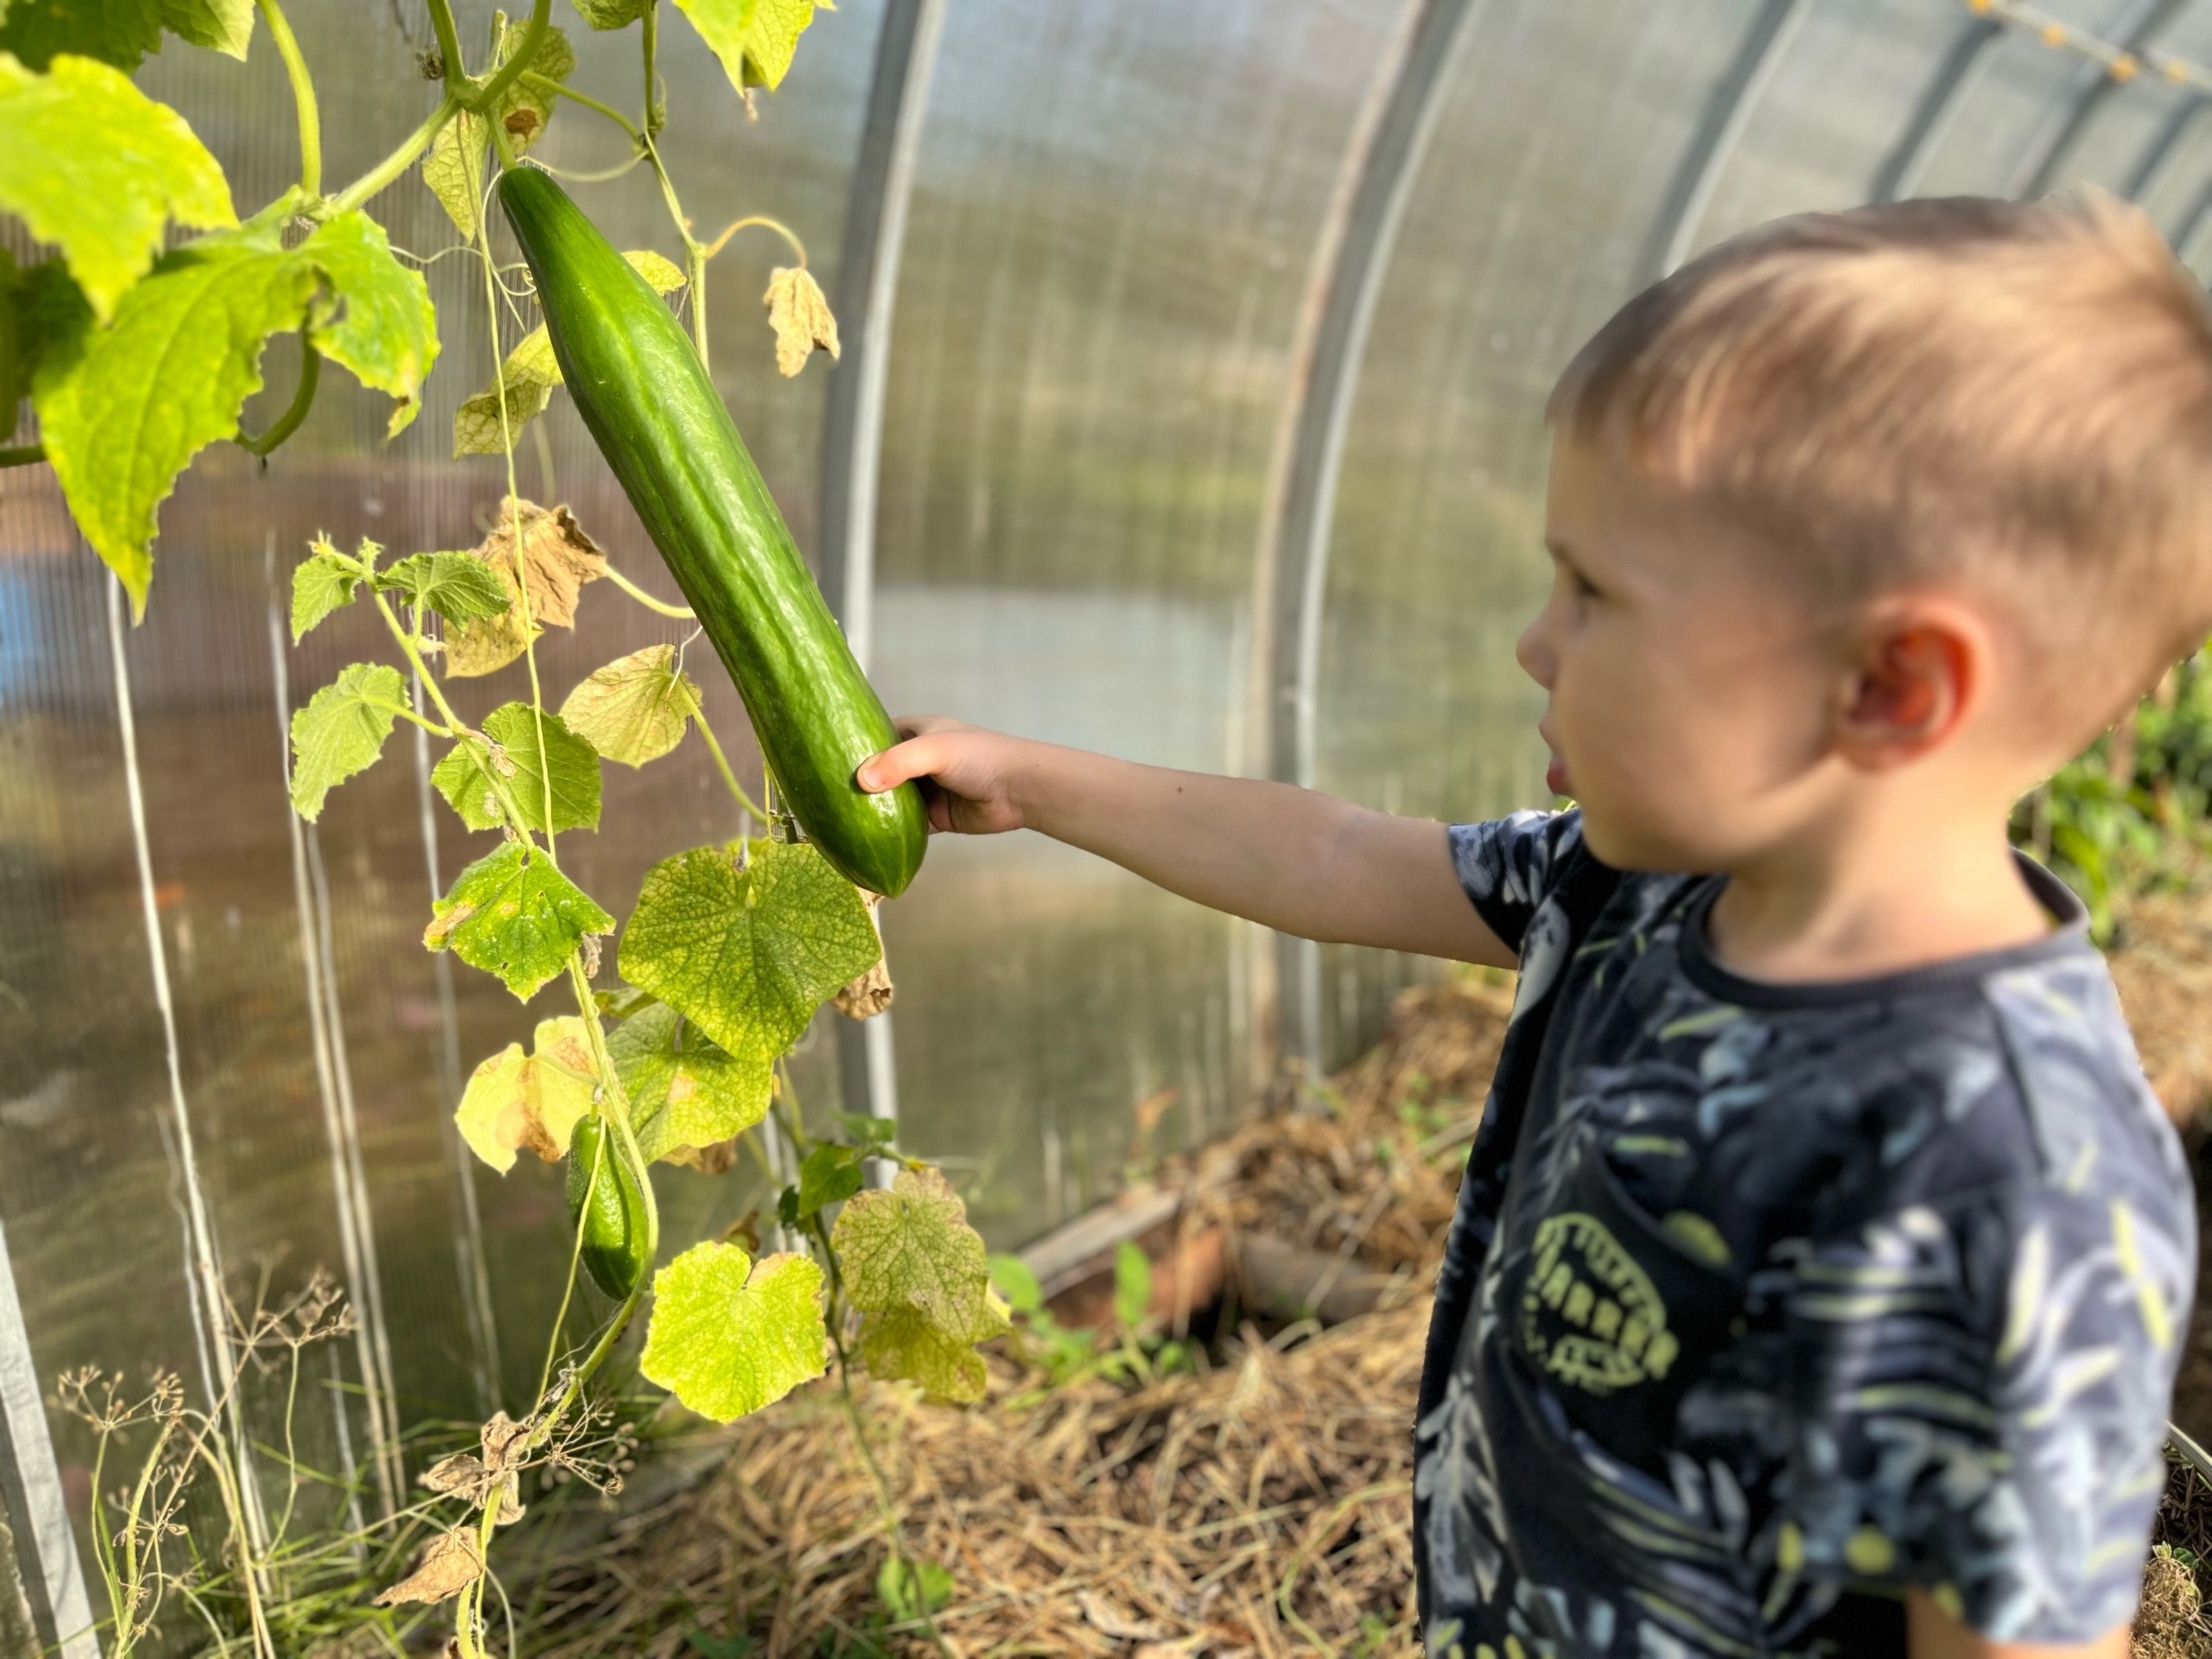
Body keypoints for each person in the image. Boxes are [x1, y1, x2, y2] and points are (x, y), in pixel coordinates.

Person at [856, 193, 2204, 1658]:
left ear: (1889, 688)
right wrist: (1035, 780)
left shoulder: (2010, 1166)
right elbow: (1335, 854)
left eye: (1595, 592)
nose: (1531, 640)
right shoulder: (1644, 884)